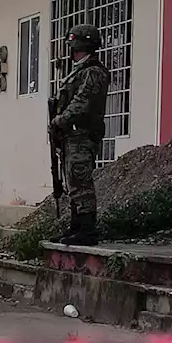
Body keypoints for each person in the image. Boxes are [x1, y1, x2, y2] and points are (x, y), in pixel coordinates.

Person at [50, 24, 111, 246]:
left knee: (80, 180)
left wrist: (60, 120)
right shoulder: (79, 71)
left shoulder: (94, 72)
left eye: (75, 47)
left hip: (82, 136)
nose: (73, 52)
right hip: (71, 137)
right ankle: (76, 226)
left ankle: (87, 229)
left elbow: (81, 103)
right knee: (72, 182)